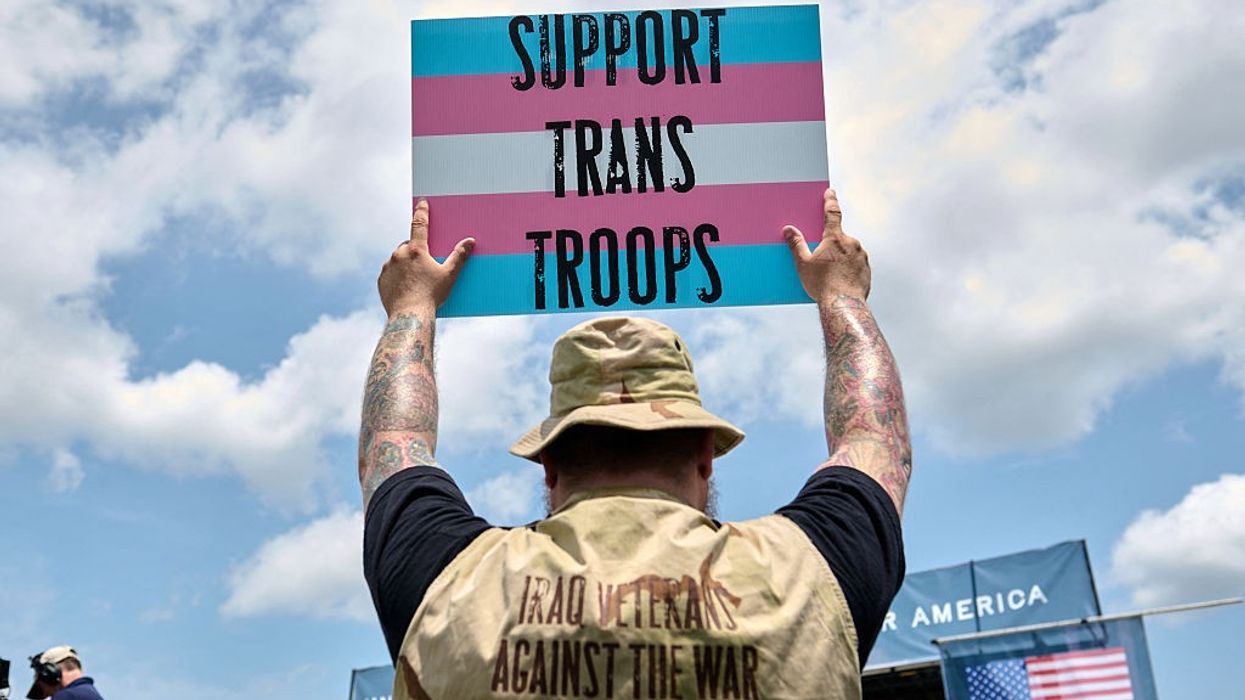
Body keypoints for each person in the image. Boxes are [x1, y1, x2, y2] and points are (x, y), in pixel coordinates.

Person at [361, 188, 911, 699]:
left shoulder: (451, 584)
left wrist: (412, 307)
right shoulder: (805, 578)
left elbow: (396, 441)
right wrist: (842, 295)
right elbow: (873, 440)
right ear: (705, 458)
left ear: (549, 466)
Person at [24, 647, 104, 700]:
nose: (47, 695)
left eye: (42, 686)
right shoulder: (90, 692)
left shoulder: (66, 696)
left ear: (50, 674)